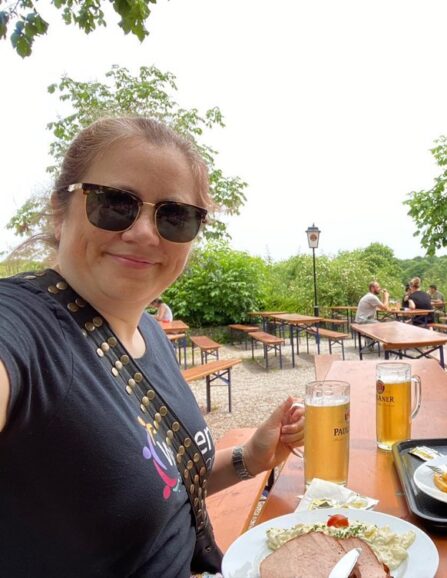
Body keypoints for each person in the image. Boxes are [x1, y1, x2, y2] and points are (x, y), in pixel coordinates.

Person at [0, 117, 304, 576]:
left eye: (174, 216)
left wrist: (250, 458)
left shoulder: (150, 333)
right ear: (61, 211)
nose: (144, 233)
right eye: (115, 203)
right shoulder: (24, 324)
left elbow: (159, 487)